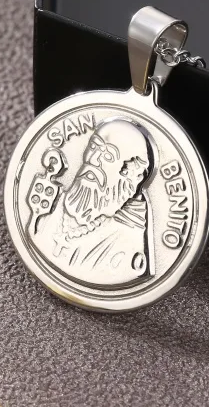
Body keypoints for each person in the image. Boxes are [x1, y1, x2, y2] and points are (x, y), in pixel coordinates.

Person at [30, 118, 154, 285]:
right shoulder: (48, 204)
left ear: (134, 176)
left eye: (108, 155)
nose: (93, 159)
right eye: (94, 147)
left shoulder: (126, 244)